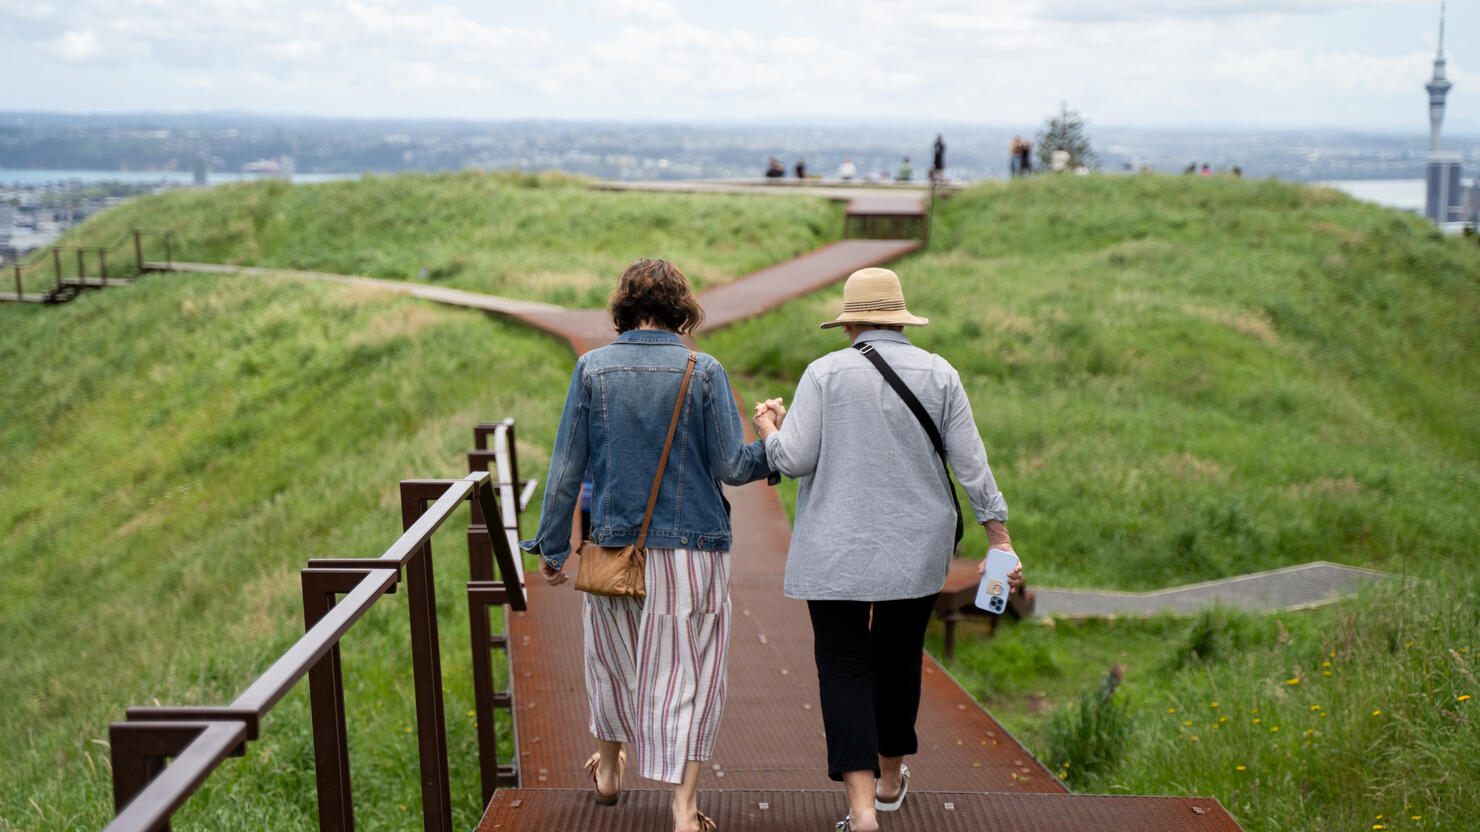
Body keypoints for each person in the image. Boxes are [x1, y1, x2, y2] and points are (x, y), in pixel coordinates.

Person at [752, 267, 1024, 832]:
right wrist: (999, 538)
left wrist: (769, 428)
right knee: (899, 659)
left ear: (849, 321)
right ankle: (892, 780)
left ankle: (860, 812)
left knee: (844, 667)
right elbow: (972, 466)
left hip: (834, 550)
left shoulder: (824, 373)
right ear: (901, 318)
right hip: (916, 548)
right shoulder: (940, 372)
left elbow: (792, 460)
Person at [521, 259, 774, 832]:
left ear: (625, 308)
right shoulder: (703, 370)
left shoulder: (592, 369)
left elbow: (566, 468)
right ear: (681, 308)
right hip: (693, 552)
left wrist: (553, 547)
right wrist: (771, 443)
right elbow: (732, 467)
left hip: (614, 549)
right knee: (691, 673)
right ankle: (683, 810)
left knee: (612, 663)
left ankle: (609, 772)